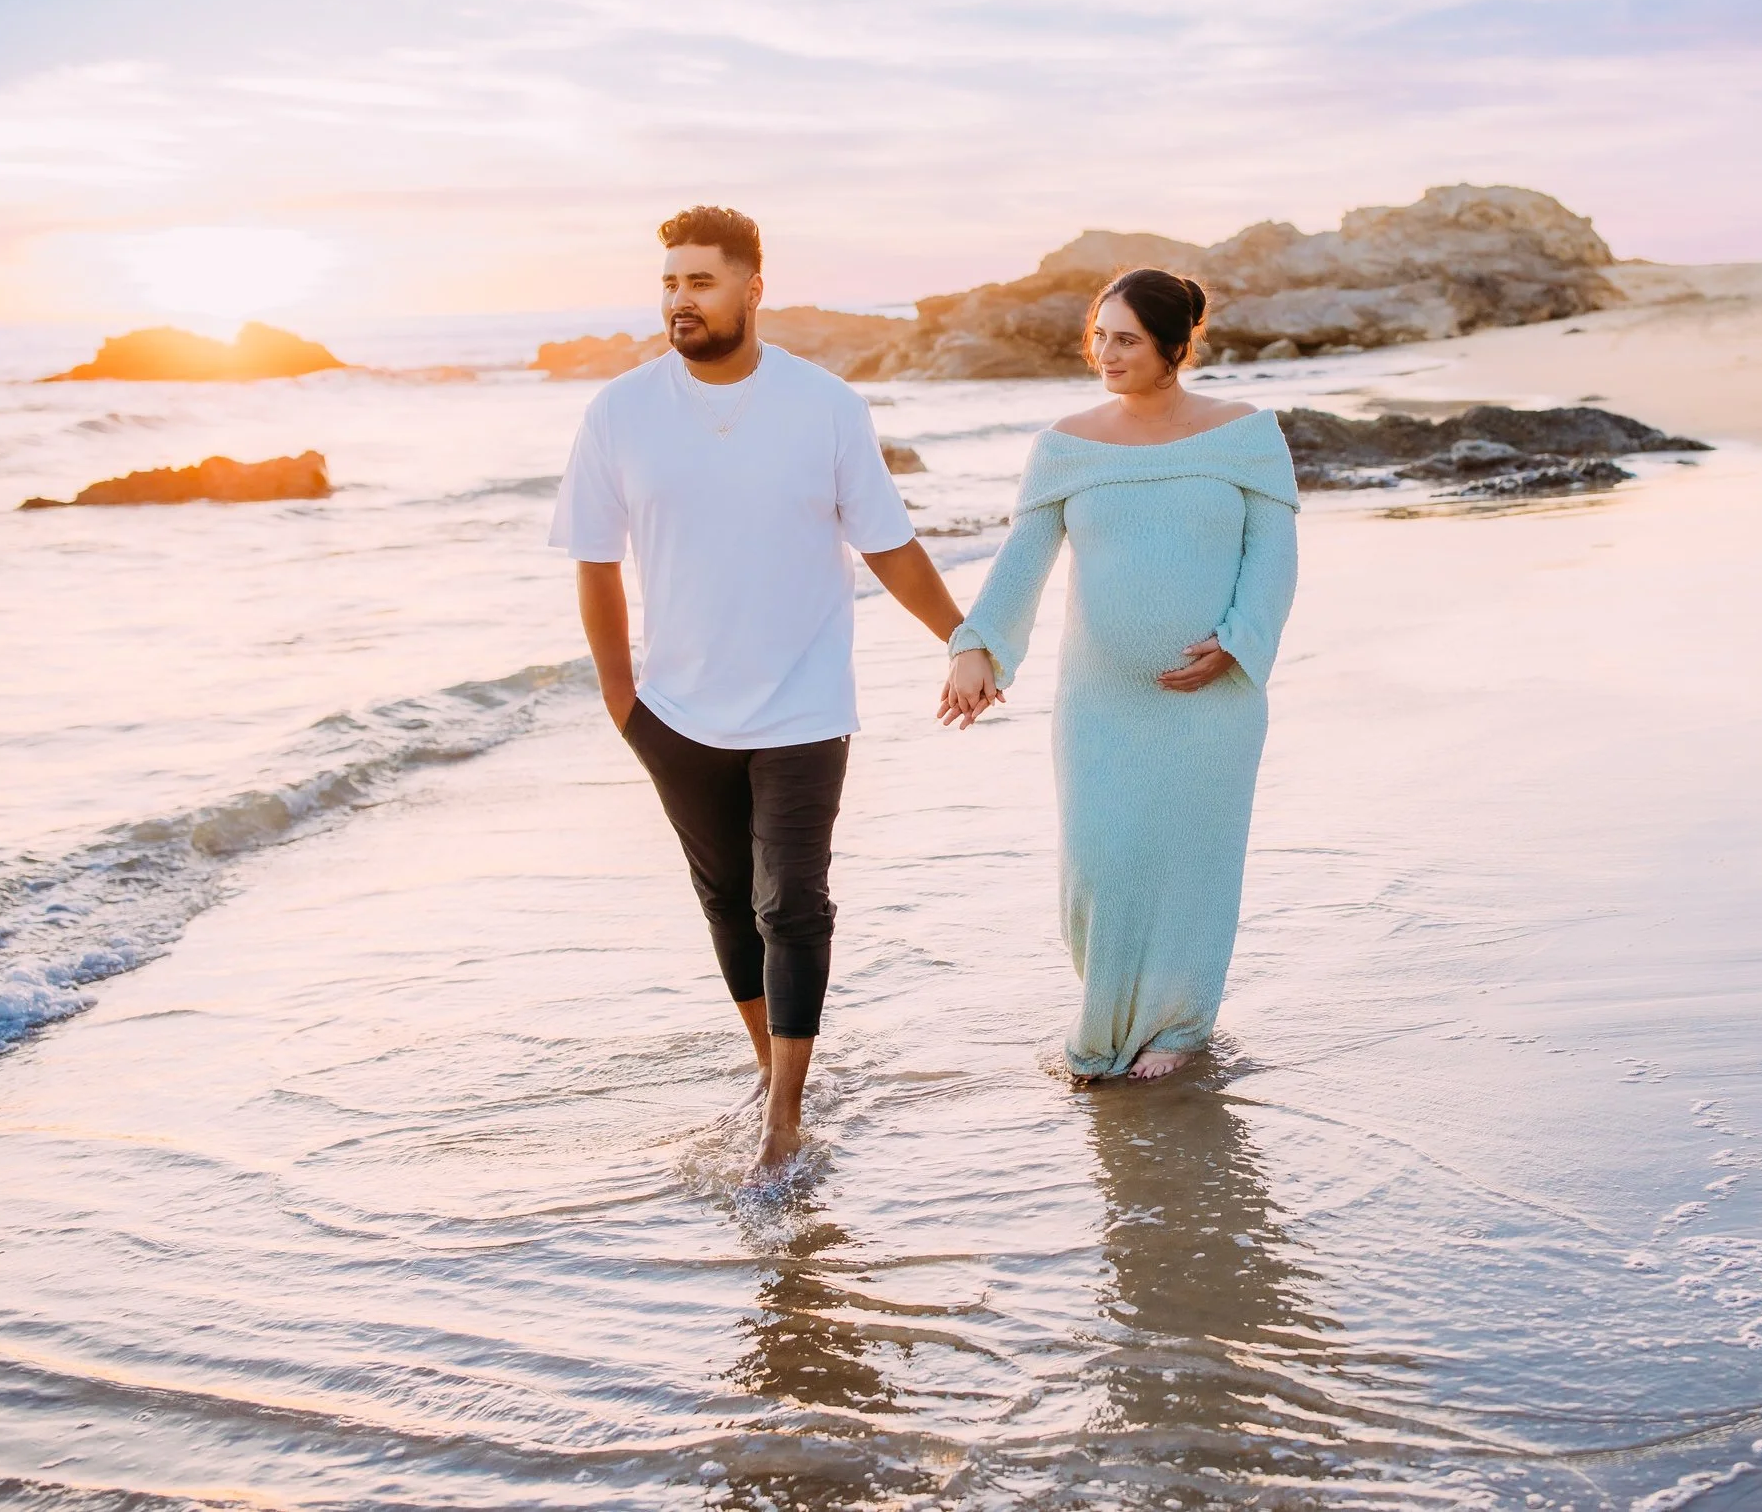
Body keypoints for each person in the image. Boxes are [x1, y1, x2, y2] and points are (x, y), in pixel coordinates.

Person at [550, 205, 967, 1175]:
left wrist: (963, 634)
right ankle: (768, 1063)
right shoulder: (619, 411)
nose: (679, 299)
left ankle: (784, 1114)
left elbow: (887, 544)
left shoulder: (823, 404)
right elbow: (594, 561)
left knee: (794, 901)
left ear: (751, 288)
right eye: (668, 282)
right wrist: (623, 701)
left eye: (699, 280)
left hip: (804, 698)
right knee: (727, 900)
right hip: (676, 706)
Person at [940, 268, 1300, 1080]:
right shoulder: (1066, 445)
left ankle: (1176, 1028)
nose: (1106, 352)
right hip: (1100, 705)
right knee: (1100, 868)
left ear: (1179, 345)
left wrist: (1241, 641)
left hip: (1214, 702)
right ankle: (1109, 1013)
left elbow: (1273, 555)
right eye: (1099, 335)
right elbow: (1024, 556)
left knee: (1193, 863)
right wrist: (976, 646)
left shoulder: (1244, 435)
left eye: (1127, 338)